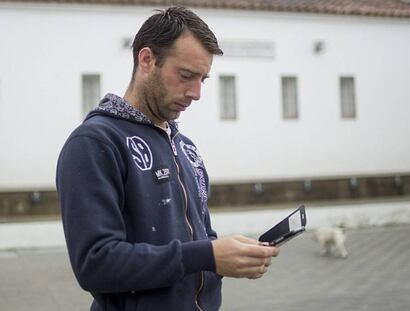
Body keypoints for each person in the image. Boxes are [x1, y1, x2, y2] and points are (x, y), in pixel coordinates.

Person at [56, 6, 279, 311]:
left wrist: (231, 257)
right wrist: (207, 255)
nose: (197, 93)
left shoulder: (185, 147)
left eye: (203, 79)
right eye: (186, 76)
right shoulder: (94, 143)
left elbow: (201, 237)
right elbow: (95, 264)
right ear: (146, 60)